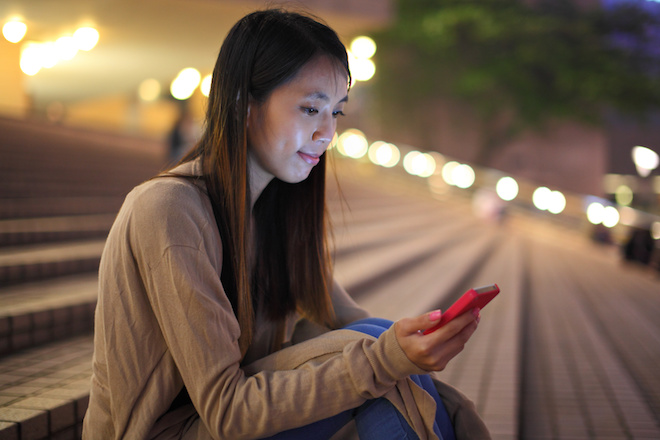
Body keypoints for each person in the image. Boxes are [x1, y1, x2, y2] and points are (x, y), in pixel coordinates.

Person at [82, 9, 490, 440]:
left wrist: (419, 351)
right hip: (170, 431)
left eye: (337, 113)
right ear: (243, 103)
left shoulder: (276, 211)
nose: (327, 133)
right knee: (373, 359)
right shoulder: (168, 209)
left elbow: (355, 326)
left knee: (373, 340)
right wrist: (389, 359)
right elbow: (227, 412)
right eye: (311, 108)